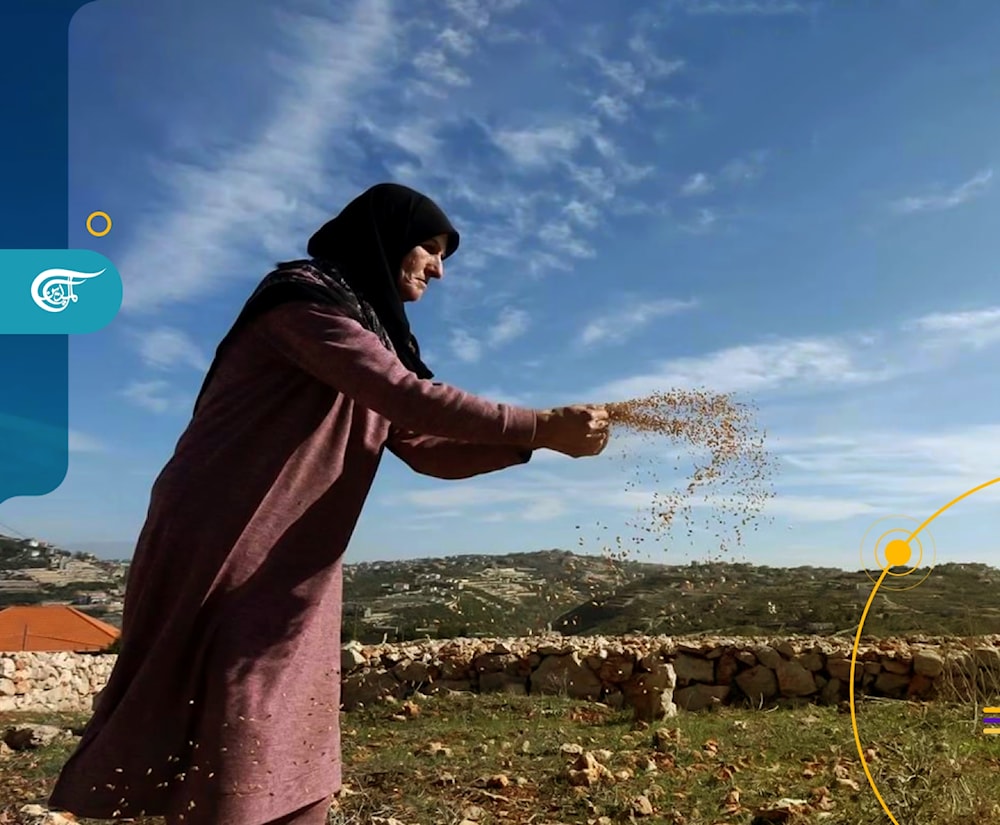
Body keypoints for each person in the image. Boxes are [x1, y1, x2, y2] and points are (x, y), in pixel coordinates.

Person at [48, 182, 610, 825]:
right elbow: (405, 397)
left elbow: (428, 446)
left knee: (289, 697)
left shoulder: (372, 336)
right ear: (383, 241)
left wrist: (537, 447)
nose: (439, 267)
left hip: (299, 551)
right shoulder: (301, 303)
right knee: (239, 686)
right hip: (229, 527)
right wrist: (537, 425)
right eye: (428, 247)